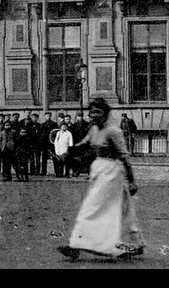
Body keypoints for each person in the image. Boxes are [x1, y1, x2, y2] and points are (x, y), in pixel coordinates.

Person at [58, 97, 145, 262]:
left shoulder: (114, 131)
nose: (93, 116)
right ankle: (133, 244)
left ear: (106, 113)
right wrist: (67, 153)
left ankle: (76, 245)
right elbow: (84, 146)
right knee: (122, 210)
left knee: (91, 208)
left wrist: (132, 180)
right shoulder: (94, 130)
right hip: (99, 172)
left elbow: (124, 157)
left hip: (111, 173)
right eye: (91, 112)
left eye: (98, 112)